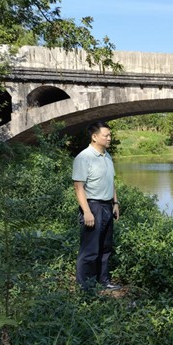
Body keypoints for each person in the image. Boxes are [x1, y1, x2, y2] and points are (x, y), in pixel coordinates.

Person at [72, 121, 121, 291]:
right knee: (90, 249)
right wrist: (86, 211)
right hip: (93, 206)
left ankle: (103, 281)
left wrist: (115, 203)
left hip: (107, 206)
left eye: (110, 135)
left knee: (105, 247)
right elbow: (78, 187)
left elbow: (111, 181)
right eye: (106, 135)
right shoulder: (84, 157)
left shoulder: (107, 156)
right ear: (94, 137)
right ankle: (85, 287)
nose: (109, 138)